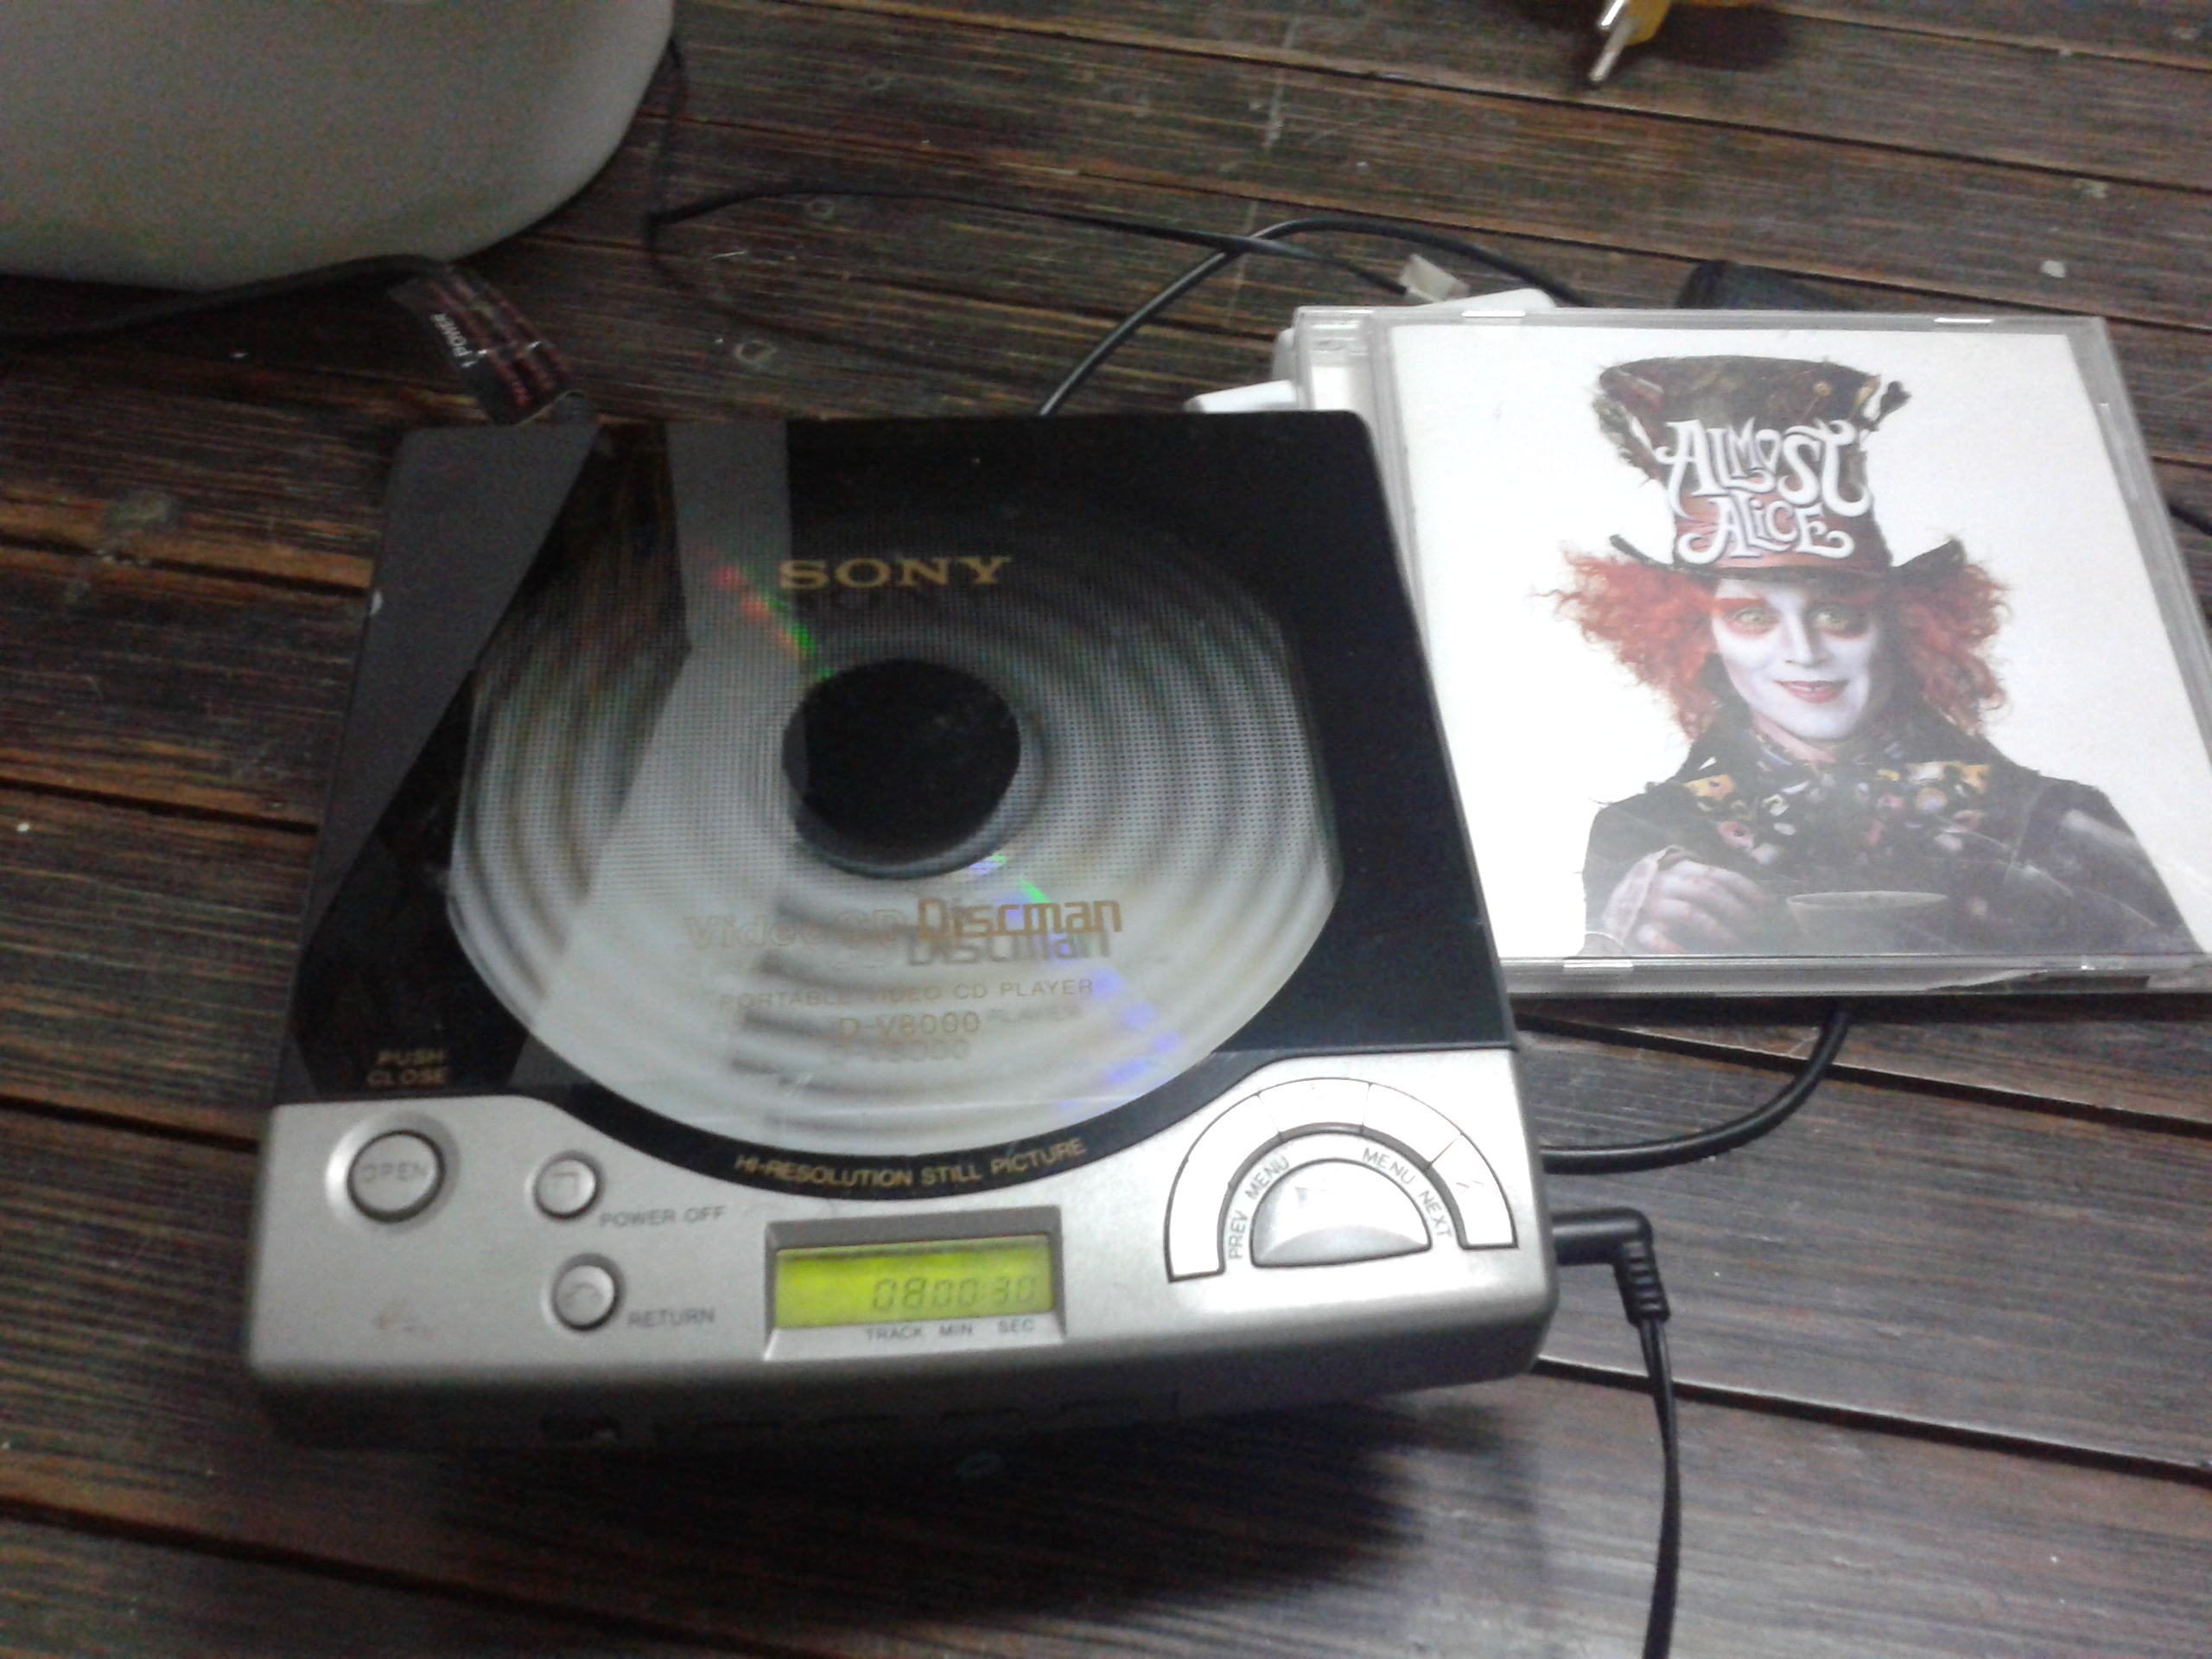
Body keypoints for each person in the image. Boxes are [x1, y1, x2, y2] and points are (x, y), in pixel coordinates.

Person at [1557, 354, 2195, 958]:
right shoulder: (1642, 836)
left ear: (1902, 624)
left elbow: (2166, 979)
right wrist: (1615, 938)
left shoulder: (2055, 819)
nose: (1803, 653)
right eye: (1752, 616)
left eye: (1837, 614)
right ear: (1700, 636)